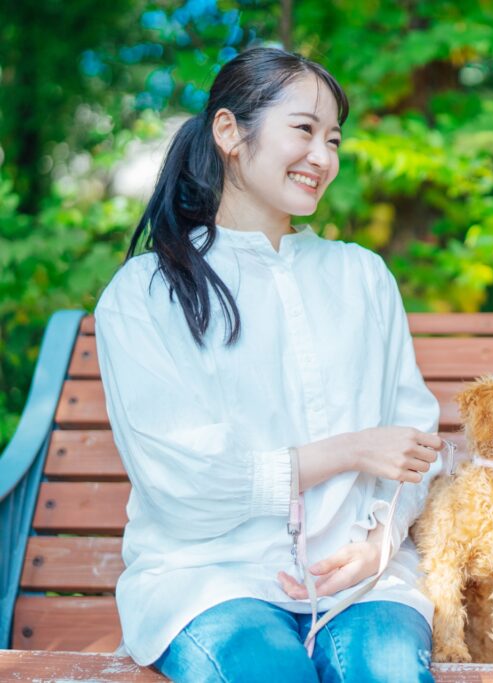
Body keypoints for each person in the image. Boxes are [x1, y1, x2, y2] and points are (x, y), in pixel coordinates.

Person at [94, 47, 444, 682]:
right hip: (208, 583)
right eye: (304, 130)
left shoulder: (362, 275)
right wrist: (349, 450)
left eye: (334, 139)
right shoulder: (148, 293)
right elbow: (185, 487)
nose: (324, 157)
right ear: (230, 132)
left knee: (389, 670)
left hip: (360, 585)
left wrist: (378, 546)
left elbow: (412, 445)